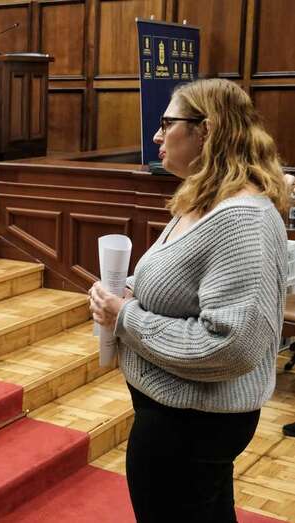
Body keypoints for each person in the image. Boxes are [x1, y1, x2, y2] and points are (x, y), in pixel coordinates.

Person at [89, 78, 289, 522]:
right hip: (176, 412)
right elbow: (184, 288)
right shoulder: (203, 199)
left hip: (192, 423)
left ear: (208, 131)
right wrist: (131, 291)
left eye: (167, 123)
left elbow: (232, 343)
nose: (157, 136)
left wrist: (125, 318)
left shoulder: (240, 219)